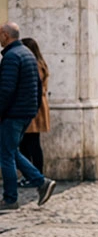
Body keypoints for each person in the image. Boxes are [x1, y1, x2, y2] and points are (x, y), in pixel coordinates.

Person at [0, 22, 57, 210]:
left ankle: (10, 198)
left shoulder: (11, 57)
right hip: (25, 113)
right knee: (12, 150)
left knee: (6, 155)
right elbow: (38, 87)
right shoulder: (28, 55)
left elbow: (6, 90)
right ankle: (41, 183)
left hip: (13, 114)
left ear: (5, 35)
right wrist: (32, 110)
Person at [19, 38, 51, 184]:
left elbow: (33, 86)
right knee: (28, 143)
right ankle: (33, 176)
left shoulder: (36, 65)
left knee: (31, 143)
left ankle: (35, 176)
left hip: (34, 106)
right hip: (37, 105)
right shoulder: (39, 63)